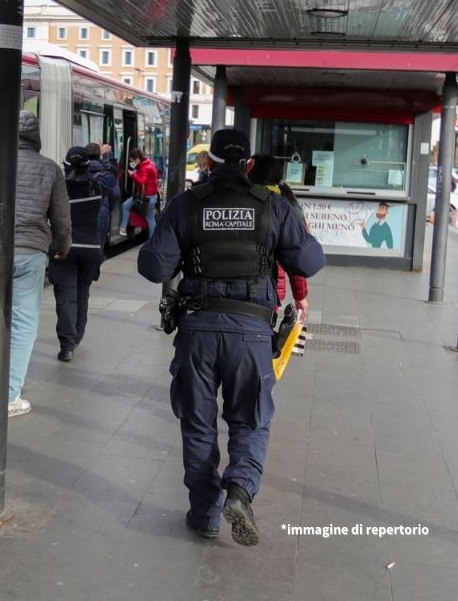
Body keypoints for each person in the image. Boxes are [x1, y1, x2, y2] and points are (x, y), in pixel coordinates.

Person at [137, 129, 325, 547]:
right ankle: (240, 491)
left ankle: (205, 514)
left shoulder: (187, 205)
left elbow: (153, 267)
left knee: (198, 424)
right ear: (248, 165)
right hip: (252, 334)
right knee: (251, 419)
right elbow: (310, 262)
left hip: (197, 332)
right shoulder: (272, 207)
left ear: (210, 160)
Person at [9, 110, 71, 417]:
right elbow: (60, 216)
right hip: (30, 252)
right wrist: (63, 246)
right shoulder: (50, 169)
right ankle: (8, 395)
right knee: (23, 323)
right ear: (36, 139)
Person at [52, 146, 108, 362]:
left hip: (65, 247)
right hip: (91, 249)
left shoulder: (60, 189)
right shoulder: (97, 187)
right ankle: (77, 335)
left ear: (66, 166)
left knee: (66, 296)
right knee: (82, 292)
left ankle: (67, 346)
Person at [249, 155, 310, 320]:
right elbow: (295, 256)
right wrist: (300, 296)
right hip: (270, 292)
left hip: (240, 288)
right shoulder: (286, 206)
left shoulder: (242, 202)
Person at [119, 148, 159, 236]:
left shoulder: (145, 167)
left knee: (150, 220)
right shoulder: (148, 164)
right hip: (148, 196)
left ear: (137, 159)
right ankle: (123, 228)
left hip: (147, 197)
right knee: (126, 205)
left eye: (132, 160)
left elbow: (142, 182)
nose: (131, 162)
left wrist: (133, 175)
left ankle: (153, 241)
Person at [86, 142, 119, 244]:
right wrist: (108, 208)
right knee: (98, 245)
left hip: (82, 213)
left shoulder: (78, 170)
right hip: (101, 210)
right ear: (99, 154)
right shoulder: (107, 172)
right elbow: (115, 194)